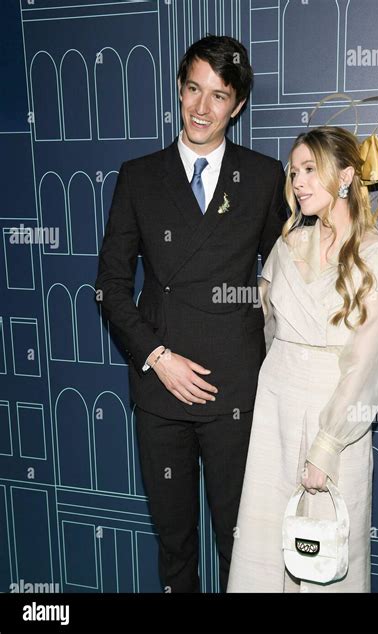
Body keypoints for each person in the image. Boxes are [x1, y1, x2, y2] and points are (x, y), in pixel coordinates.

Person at [95, 35, 286, 593]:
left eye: (219, 96)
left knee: (241, 543)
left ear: (238, 105)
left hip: (235, 388)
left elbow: (286, 279)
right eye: (193, 90)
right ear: (180, 90)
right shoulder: (139, 176)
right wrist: (157, 358)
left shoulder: (265, 176)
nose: (202, 108)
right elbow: (109, 286)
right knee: (175, 543)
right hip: (161, 391)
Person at [227, 126, 378, 592]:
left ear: (348, 175)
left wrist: (328, 444)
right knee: (264, 545)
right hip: (275, 409)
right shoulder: (286, 247)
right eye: (294, 172)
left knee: (326, 556)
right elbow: (265, 329)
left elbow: (368, 366)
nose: (298, 182)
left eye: (311, 170)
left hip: (334, 416)